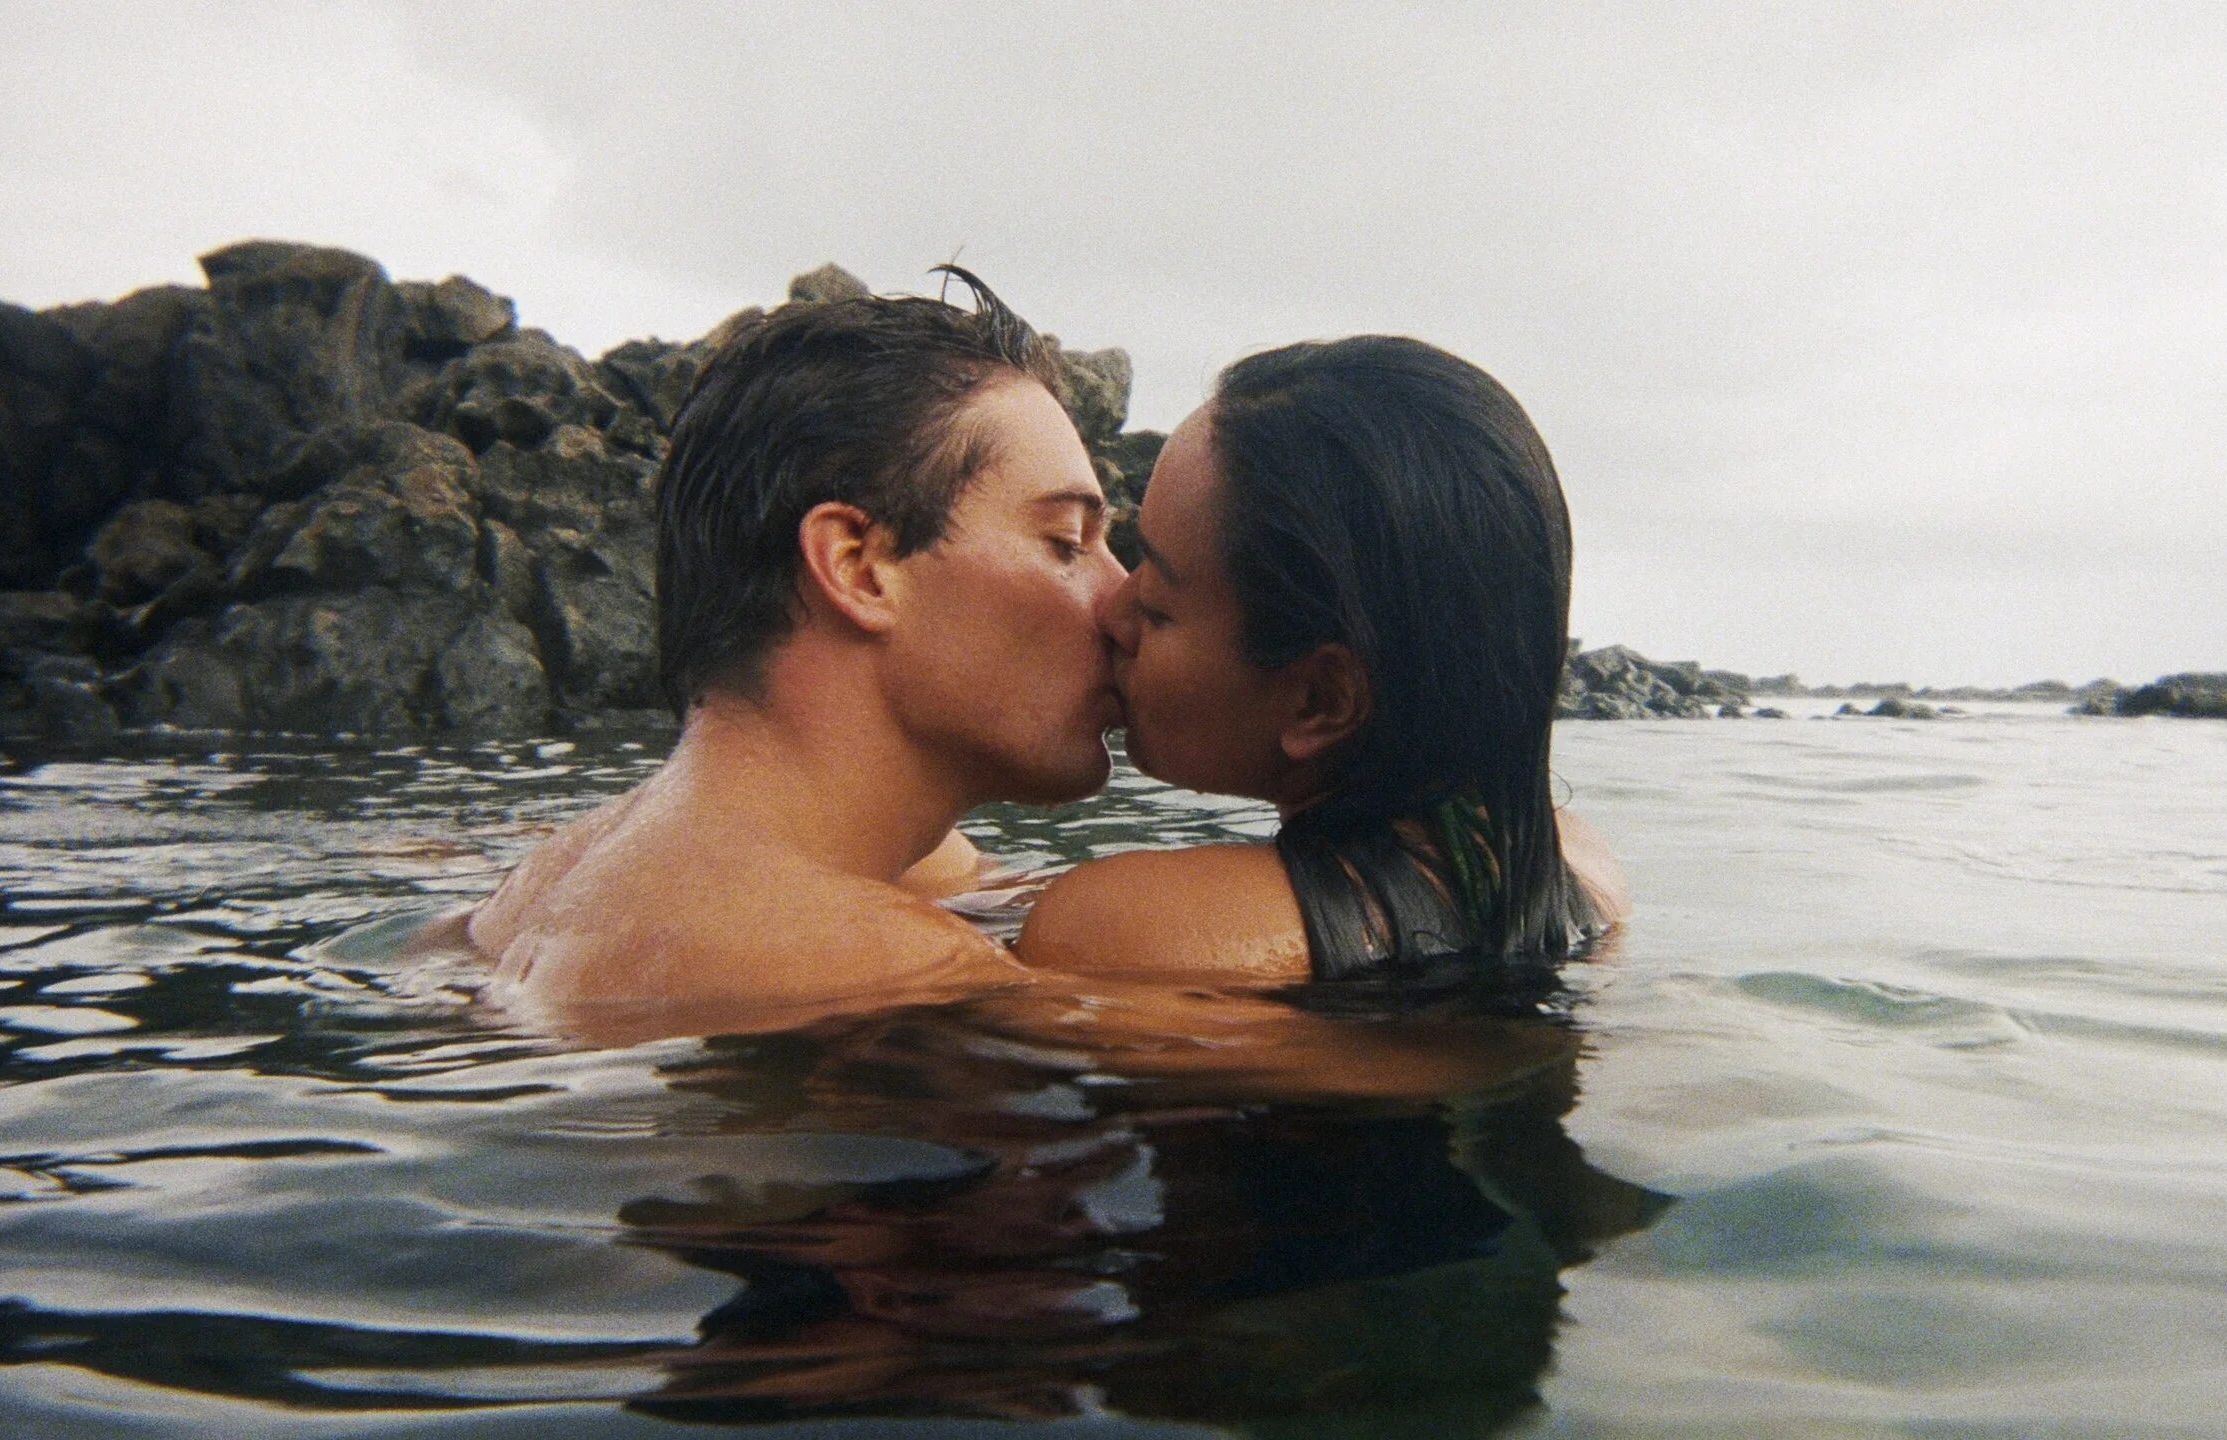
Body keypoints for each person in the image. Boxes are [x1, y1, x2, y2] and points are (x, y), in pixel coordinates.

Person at [465, 271, 1125, 1035]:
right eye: (1067, 543)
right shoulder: (872, 964)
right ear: (859, 567)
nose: (1126, 600)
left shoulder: (556, 882)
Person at [1015, 336, 1625, 985]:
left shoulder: (1125, 931)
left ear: (1320, 701)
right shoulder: (1584, 874)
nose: (1114, 610)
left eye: (1159, 607)